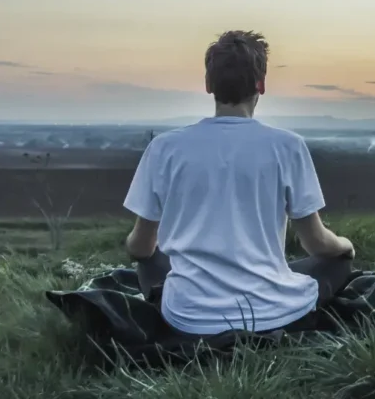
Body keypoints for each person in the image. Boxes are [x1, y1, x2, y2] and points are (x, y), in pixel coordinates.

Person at [122, 30, 356, 336]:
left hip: (188, 317)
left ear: (208, 85)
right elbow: (315, 243)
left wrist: (153, 253)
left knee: (149, 260)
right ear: (261, 84)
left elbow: (139, 247)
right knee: (337, 263)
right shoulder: (288, 146)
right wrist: (346, 246)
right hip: (271, 313)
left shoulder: (165, 148)